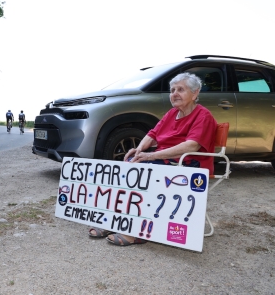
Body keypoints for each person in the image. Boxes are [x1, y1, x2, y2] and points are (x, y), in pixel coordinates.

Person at [89, 72, 217, 246]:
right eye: (172, 90)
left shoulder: (203, 116)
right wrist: (139, 150)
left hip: (189, 164)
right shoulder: (172, 114)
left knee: (141, 173)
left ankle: (137, 231)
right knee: (127, 168)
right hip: (167, 161)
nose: (175, 94)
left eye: (181, 89)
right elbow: (152, 134)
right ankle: (115, 220)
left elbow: (192, 146)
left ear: (195, 93)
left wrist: (150, 155)